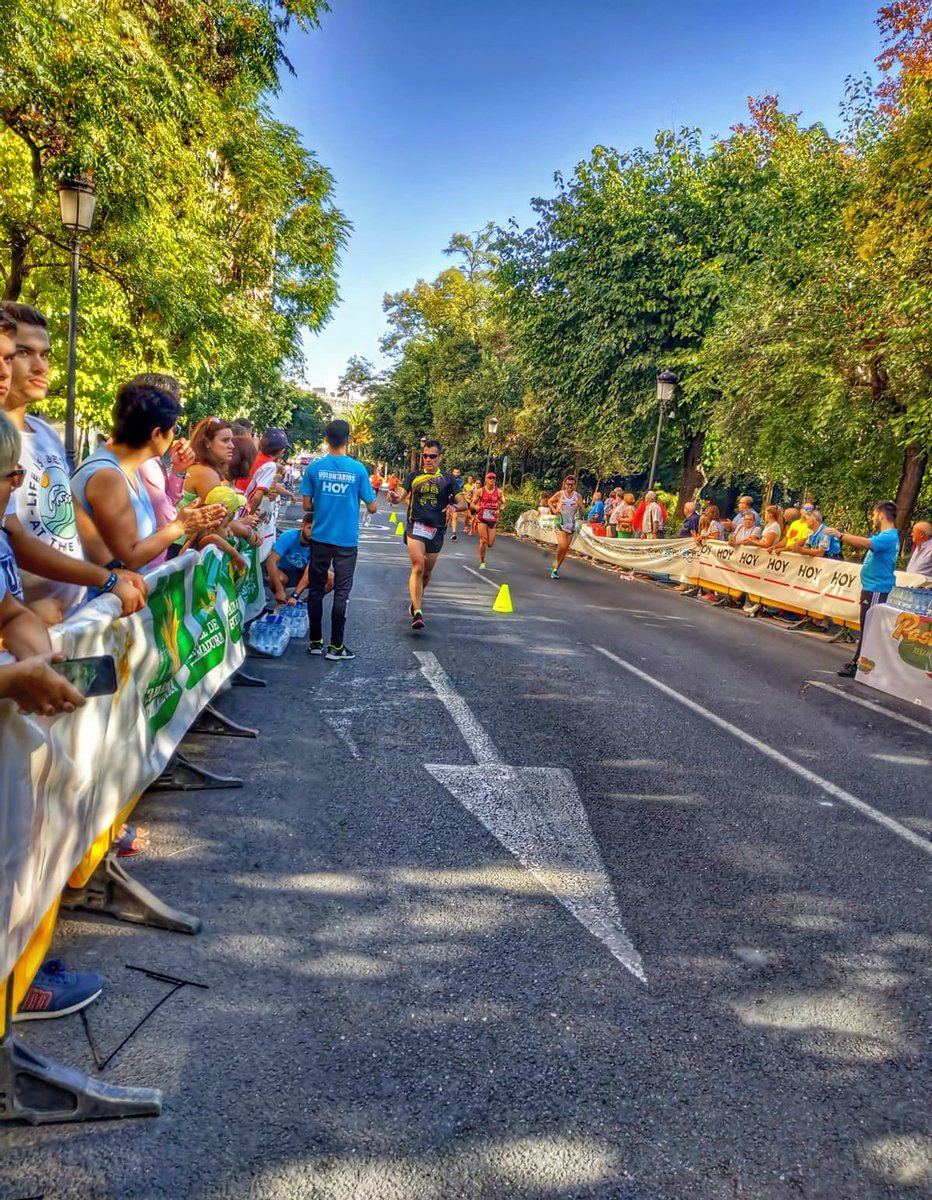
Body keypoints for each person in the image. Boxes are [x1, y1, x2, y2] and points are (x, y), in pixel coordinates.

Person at [0, 304, 146, 621]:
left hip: (72, 613)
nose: (41, 366)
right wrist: (104, 579)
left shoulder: (45, 433)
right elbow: (14, 540)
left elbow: (69, 508)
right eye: (24, 353)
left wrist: (112, 567)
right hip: (28, 624)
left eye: (45, 354)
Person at [71, 383, 224, 571]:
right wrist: (180, 526)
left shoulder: (127, 468)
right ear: (157, 434)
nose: (175, 437)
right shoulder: (109, 477)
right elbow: (128, 559)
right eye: (174, 430)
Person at [300, 419, 377, 658]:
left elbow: (305, 505)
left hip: (320, 537)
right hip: (346, 541)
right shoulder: (358, 470)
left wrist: (324, 501)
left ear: (325, 439)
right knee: (342, 592)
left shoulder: (314, 468)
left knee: (315, 589)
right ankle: (336, 646)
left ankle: (315, 642)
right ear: (349, 439)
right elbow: (373, 507)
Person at [388, 438, 465, 628]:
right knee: (418, 566)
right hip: (416, 526)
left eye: (432, 456)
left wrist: (453, 507)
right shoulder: (414, 476)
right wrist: (395, 497)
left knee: (427, 572)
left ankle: (417, 599)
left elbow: (463, 503)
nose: (428, 460)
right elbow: (400, 495)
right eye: (425, 456)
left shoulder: (448, 479)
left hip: (437, 530)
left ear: (440, 457)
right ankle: (418, 612)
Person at [827, 501, 900, 677]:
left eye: (875, 514)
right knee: (868, 626)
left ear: (882, 515)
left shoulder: (888, 536)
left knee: (869, 628)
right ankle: (866, 663)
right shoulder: (886, 536)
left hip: (877, 588)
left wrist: (840, 535)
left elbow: (866, 543)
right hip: (872, 587)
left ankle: (859, 664)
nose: (873, 518)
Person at [243, 428, 294, 561]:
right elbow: (258, 495)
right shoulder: (269, 466)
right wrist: (250, 516)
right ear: (281, 450)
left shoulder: (254, 457)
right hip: (245, 507)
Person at [266, 512, 330, 604]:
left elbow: (309, 571)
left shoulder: (319, 544)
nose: (312, 533)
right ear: (302, 526)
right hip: (285, 573)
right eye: (310, 528)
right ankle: (281, 600)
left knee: (331, 579)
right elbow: (271, 562)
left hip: (303, 573)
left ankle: (310, 600)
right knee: (274, 578)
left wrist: (295, 595)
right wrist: (279, 590)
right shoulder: (288, 536)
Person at [547, 475, 583, 578]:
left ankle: (555, 569)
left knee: (565, 548)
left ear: (575, 485)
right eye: (568, 484)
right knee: (562, 545)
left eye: (572, 484)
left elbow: (582, 512)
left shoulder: (578, 496)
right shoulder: (560, 494)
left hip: (571, 523)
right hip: (560, 521)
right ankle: (555, 564)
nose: (570, 486)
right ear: (565, 484)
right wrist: (554, 510)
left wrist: (580, 506)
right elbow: (550, 501)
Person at [474, 471, 504, 569]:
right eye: (490, 478)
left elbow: (503, 503)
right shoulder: (481, 491)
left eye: (494, 478)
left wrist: (499, 510)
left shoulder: (499, 491)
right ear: (486, 480)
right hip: (482, 517)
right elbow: (472, 503)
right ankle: (482, 562)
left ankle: (484, 550)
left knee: (490, 544)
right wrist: (476, 507)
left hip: (492, 518)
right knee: (483, 540)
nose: (492, 480)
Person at [446, 467, 465, 540]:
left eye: (458, 472)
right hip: (448, 500)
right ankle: (443, 528)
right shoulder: (448, 479)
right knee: (447, 516)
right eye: (455, 472)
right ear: (452, 472)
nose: (456, 474)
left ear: (459, 473)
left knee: (455, 516)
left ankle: (454, 533)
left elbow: (462, 490)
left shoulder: (461, 481)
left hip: (455, 500)